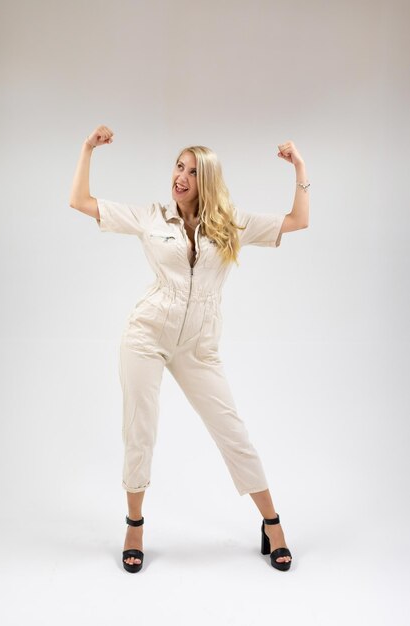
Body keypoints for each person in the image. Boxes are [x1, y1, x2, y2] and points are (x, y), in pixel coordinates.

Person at [69, 125, 309, 573]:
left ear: (208, 181)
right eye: (178, 167)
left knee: (232, 432)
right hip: (147, 335)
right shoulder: (151, 217)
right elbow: (81, 202)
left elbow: (298, 221)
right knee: (140, 430)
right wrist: (87, 149)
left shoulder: (231, 223)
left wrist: (299, 168)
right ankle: (135, 524)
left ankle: (271, 522)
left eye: (192, 172)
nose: (180, 177)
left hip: (200, 346)